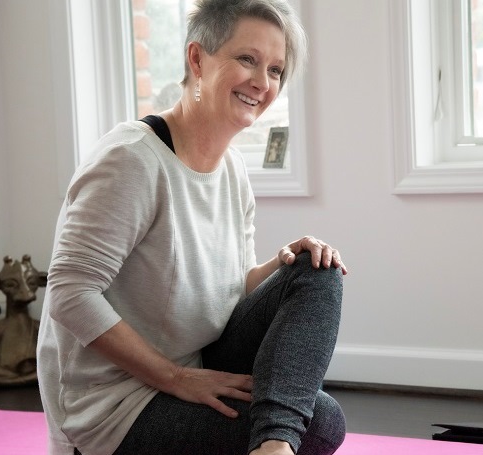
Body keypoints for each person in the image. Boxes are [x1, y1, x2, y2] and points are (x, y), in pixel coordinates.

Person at [36, 1, 347, 454]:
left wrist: (286, 266)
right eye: (247, 59)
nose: (263, 83)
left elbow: (230, 288)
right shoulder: (131, 160)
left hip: (196, 363)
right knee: (317, 424)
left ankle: (273, 447)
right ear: (197, 59)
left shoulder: (232, 169)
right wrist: (176, 378)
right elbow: (69, 291)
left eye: (276, 69)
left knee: (318, 269)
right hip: (115, 406)